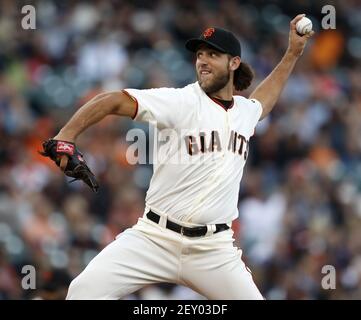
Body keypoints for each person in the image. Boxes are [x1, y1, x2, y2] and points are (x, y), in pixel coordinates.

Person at [48, 14, 313, 299]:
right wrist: (66, 136)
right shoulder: (182, 101)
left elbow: (264, 100)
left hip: (213, 250)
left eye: (213, 54)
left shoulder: (244, 113)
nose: (203, 61)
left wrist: (293, 53)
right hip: (154, 237)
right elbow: (112, 100)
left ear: (234, 63)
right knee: (82, 292)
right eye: (200, 54)